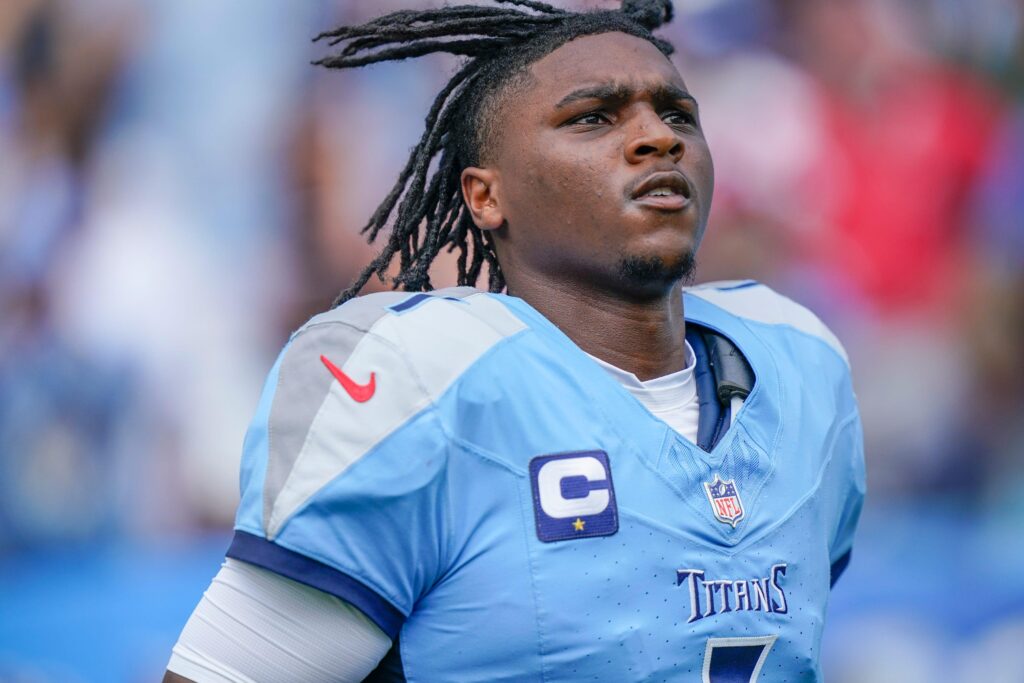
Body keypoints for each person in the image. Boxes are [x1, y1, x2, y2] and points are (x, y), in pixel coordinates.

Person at [165, 0, 865, 680]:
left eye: (678, 113)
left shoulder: (799, 364)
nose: (659, 137)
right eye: (593, 117)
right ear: (485, 196)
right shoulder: (422, 378)